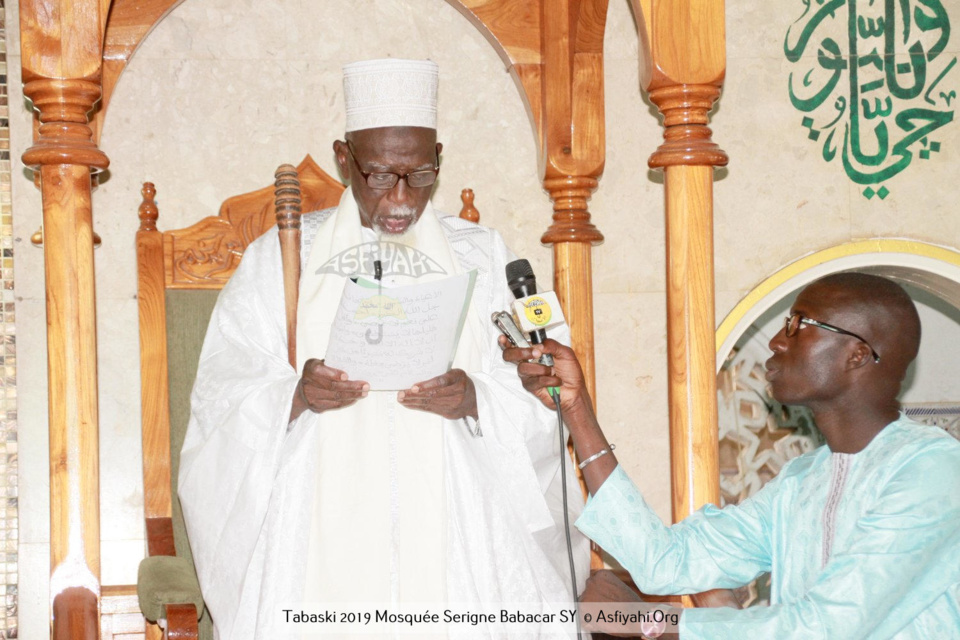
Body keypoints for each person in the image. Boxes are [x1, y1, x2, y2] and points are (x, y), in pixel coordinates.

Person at [179, 58, 589, 639]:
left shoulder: (483, 253)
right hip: (314, 524)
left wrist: (476, 397)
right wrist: (294, 396)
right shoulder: (282, 258)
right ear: (344, 160)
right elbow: (225, 390)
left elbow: (548, 383)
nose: (400, 198)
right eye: (379, 176)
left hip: (461, 520)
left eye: (419, 176)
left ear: (439, 161)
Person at [503, 272, 960, 638]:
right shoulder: (802, 480)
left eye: (799, 325)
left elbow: (828, 626)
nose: (778, 341)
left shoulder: (933, 471)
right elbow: (664, 561)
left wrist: (649, 622)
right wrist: (577, 408)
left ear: (858, 355)